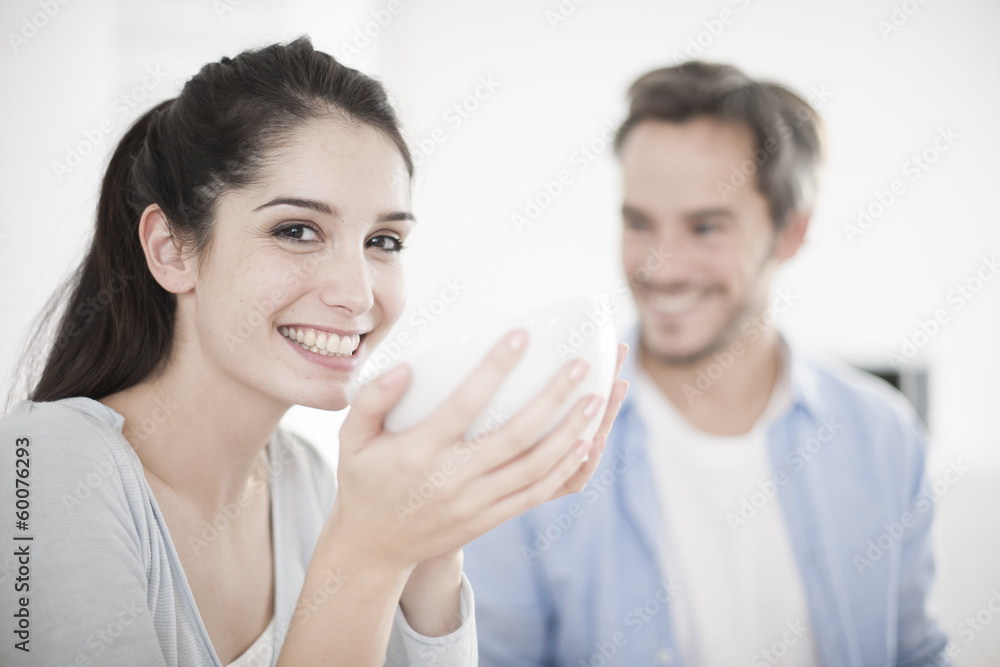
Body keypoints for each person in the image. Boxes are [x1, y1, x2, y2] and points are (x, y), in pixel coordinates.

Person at [0, 37, 628, 667]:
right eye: (297, 231)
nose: (357, 294)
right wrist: (366, 553)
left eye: (383, 240)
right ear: (171, 249)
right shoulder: (42, 465)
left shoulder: (301, 477)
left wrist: (431, 550)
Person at [463, 61, 951, 666]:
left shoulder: (883, 439)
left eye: (705, 227)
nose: (661, 267)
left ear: (789, 234)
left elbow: (915, 653)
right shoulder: (533, 444)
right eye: (639, 223)